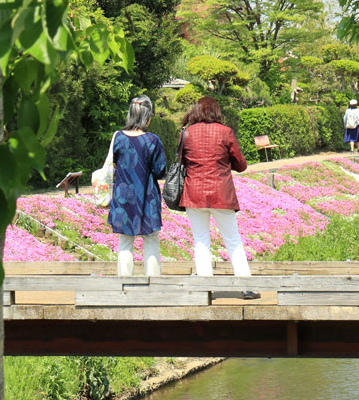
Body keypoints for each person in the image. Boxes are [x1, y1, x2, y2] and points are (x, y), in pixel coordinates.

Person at [179, 96, 251, 277]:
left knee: (201, 241)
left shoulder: (186, 133)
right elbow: (241, 165)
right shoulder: (225, 132)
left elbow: (181, 161)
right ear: (216, 111)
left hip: (194, 194)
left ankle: (205, 286)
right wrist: (225, 163)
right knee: (233, 240)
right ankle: (245, 285)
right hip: (221, 194)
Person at [107, 96, 166, 277]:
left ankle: (124, 283)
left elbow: (113, 164)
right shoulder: (152, 140)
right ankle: (153, 282)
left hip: (123, 195)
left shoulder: (118, 137)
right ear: (147, 116)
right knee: (151, 238)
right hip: (147, 195)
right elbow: (160, 171)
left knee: (125, 240)